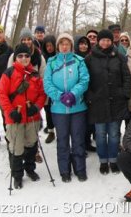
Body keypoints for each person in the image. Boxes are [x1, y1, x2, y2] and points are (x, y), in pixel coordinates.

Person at [0, 44, 46, 189]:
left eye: (26, 56)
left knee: (31, 145)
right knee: (16, 147)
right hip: (15, 117)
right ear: (15, 58)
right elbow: (2, 95)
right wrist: (11, 112)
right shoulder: (8, 74)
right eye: (20, 56)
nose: (24, 58)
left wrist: (37, 107)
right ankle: (17, 175)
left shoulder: (35, 75)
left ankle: (30, 169)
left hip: (32, 117)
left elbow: (42, 94)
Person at [44, 33, 90, 182]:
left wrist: (73, 94)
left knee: (78, 139)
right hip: (58, 109)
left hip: (78, 108)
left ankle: (80, 168)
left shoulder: (79, 61)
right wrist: (60, 96)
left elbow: (84, 80)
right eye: (62, 44)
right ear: (58, 46)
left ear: (71, 46)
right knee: (62, 140)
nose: (64, 46)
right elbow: (47, 84)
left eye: (67, 44)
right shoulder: (51, 63)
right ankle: (64, 170)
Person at [85, 29, 131, 175]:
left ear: (112, 42)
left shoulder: (119, 56)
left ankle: (113, 159)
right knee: (100, 134)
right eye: (103, 40)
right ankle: (103, 161)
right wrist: (90, 96)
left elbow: (127, 77)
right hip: (98, 103)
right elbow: (85, 79)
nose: (105, 42)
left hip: (116, 102)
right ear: (98, 41)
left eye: (108, 40)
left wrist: (124, 94)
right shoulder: (90, 58)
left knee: (114, 134)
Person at [41, 34, 57, 144]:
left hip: (58, 87)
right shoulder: (43, 57)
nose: (49, 48)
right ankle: (51, 130)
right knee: (47, 109)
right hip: (47, 88)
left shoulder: (59, 56)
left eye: (51, 45)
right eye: (47, 46)